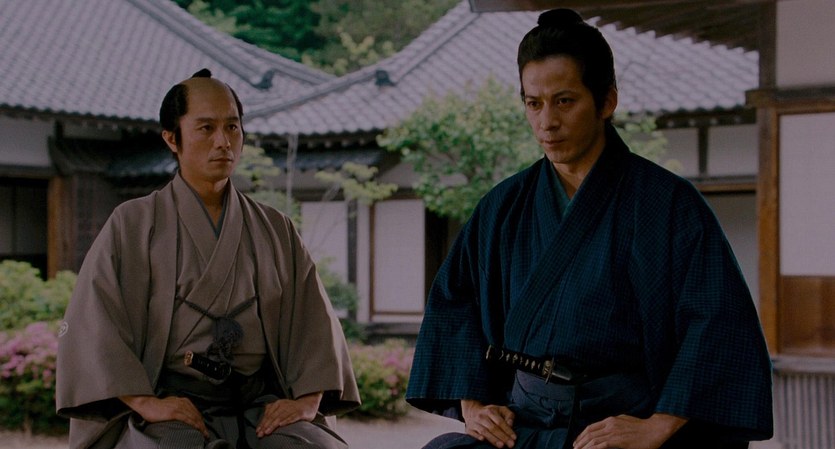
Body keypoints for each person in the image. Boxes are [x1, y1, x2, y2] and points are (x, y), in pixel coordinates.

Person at [406, 9, 773, 449]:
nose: (547, 122)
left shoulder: (667, 203)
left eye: (564, 101)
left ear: (606, 101)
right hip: (525, 423)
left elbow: (717, 320)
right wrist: (474, 404)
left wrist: (657, 425)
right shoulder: (503, 206)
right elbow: (455, 303)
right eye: (533, 103)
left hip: (619, 425)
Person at [56, 69, 360, 449]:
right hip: (172, 403)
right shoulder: (132, 224)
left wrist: (307, 399)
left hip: (259, 403)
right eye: (206, 128)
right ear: (172, 138)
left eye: (232, 127)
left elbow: (312, 322)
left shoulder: (275, 228)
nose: (223, 141)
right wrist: (147, 403)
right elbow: (95, 322)